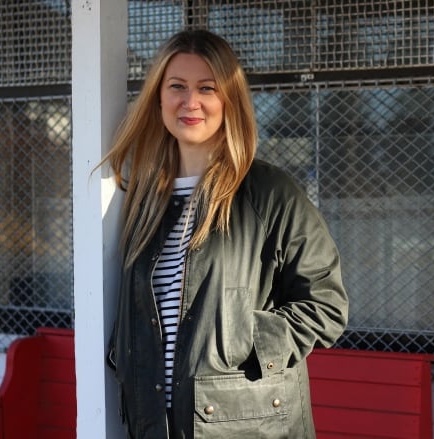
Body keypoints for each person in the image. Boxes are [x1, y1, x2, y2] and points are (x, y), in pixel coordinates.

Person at [101, 29, 349, 438]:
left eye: (207, 88)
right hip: (154, 425)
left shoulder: (270, 193)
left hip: (245, 424)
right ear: (158, 97)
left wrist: (241, 339)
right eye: (177, 86)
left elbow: (326, 305)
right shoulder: (143, 200)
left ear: (228, 100)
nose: (190, 101)